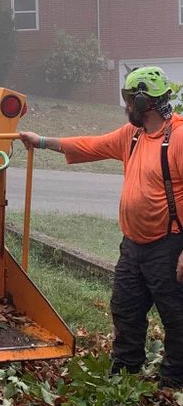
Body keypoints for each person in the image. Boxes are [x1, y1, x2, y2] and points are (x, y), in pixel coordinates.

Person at [20, 65, 183, 389]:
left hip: (168, 245)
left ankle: (174, 381)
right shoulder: (132, 135)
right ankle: (126, 373)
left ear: (144, 102)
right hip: (133, 245)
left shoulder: (178, 139)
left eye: (128, 100)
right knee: (124, 308)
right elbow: (91, 145)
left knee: (177, 317)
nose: (125, 107)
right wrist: (40, 141)